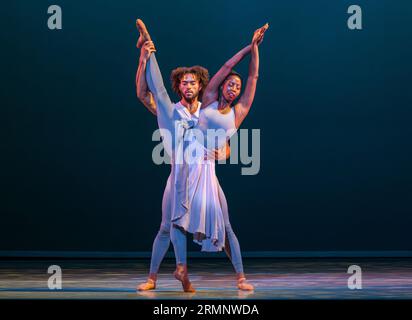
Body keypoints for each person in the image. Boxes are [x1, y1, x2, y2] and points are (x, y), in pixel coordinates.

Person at [135, 20, 254, 292]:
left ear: (200, 86)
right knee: (166, 226)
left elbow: (225, 142)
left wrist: (223, 151)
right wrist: (142, 59)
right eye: (184, 82)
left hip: (204, 175)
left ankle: (239, 276)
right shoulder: (172, 109)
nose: (188, 86)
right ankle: (153, 277)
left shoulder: (208, 108)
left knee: (224, 226)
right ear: (180, 86)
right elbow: (144, 93)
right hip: (178, 168)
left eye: (193, 82)